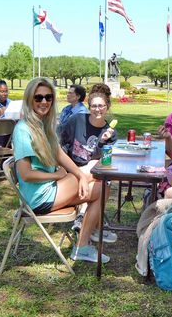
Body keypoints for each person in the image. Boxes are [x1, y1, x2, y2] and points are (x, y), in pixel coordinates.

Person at [13, 78, 113, 263]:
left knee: (103, 187)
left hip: (51, 187)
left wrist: (79, 175)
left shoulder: (42, 125)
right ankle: (86, 240)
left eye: (48, 97)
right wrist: (59, 175)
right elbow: (26, 174)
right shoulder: (23, 129)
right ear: (29, 99)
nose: (44, 102)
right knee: (99, 178)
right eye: (38, 97)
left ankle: (82, 246)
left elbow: (59, 153)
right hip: (39, 196)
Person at [60, 84, 118, 242]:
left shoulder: (111, 134)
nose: (97, 109)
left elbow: (103, 160)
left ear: (107, 107)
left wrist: (102, 141)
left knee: (102, 179)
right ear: (89, 106)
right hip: (71, 169)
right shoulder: (78, 120)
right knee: (101, 181)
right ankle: (91, 223)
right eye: (94, 106)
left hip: (93, 172)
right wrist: (63, 168)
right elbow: (61, 142)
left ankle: (89, 222)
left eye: (101, 106)